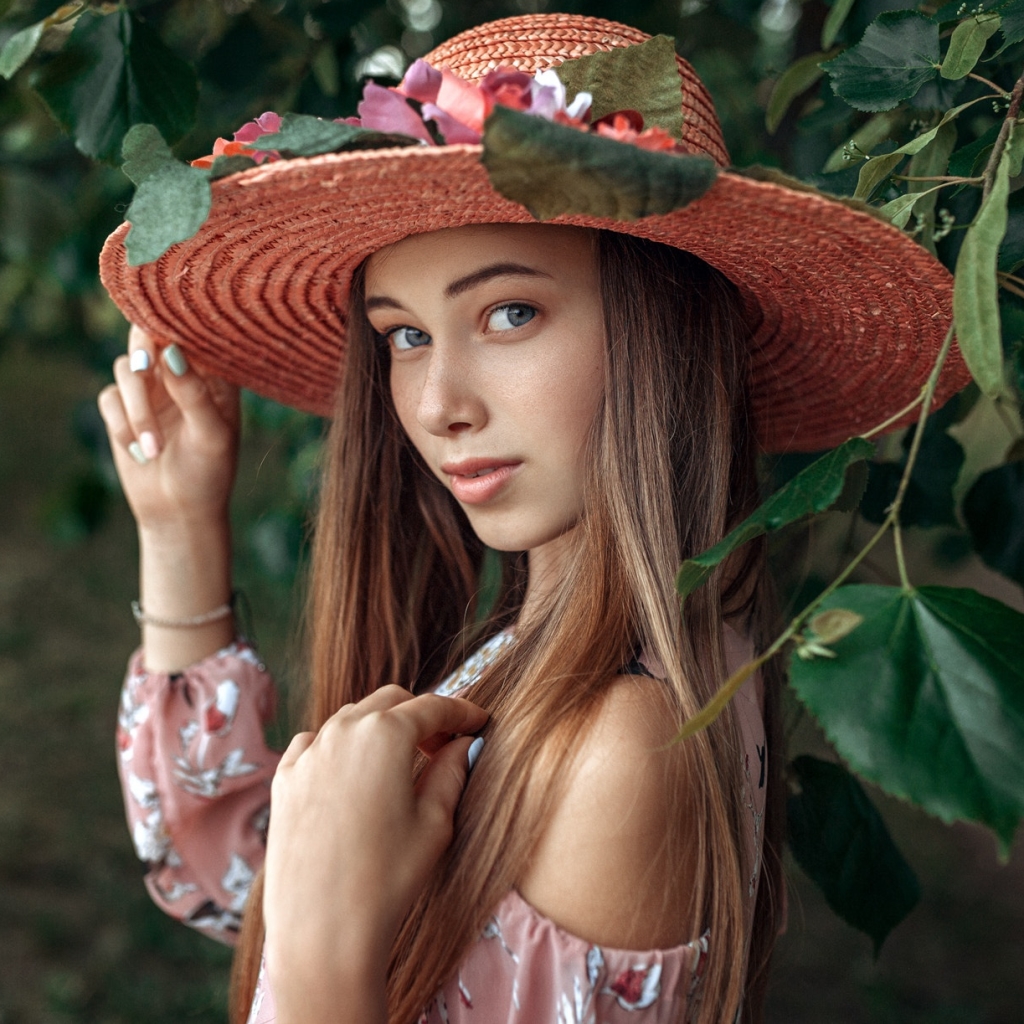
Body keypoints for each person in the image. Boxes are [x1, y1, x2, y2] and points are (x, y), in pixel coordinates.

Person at [95, 13, 967, 1024]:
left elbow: (305, 933)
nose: (435, 403)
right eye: (407, 335)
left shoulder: (619, 751)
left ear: (664, 334)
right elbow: (237, 886)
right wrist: (179, 531)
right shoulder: (550, 656)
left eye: (510, 312)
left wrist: (327, 951)